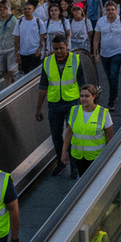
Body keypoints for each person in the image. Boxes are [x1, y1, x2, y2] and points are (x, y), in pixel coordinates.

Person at [36, 35, 86, 178]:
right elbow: (43, 86)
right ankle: (61, 162)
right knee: (56, 135)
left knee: (71, 135)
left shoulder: (76, 60)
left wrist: (86, 103)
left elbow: (82, 82)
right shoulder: (47, 62)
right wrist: (38, 108)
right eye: (55, 48)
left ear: (67, 45)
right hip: (54, 104)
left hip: (72, 103)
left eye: (61, 48)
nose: (58, 51)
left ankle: (74, 166)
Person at [60, 84, 113, 177]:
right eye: (82, 96)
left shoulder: (103, 113)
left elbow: (110, 137)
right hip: (78, 156)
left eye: (87, 96)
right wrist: (64, 152)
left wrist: (109, 156)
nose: (83, 99)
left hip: (96, 157)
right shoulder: (74, 110)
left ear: (94, 96)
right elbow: (69, 133)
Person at [94, 2, 121, 111]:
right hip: (104, 53)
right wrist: (95, 52)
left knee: (113, 74)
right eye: (108, 9)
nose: (110, 12)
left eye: (112, 9)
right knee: (110, 76)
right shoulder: (101, 21)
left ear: (116, 10)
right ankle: (114, 92)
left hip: (118, 52)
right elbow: (96, 37)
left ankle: (111, 100)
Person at [13, 1, 47, 74]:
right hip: (23, 53)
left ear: (33, 10)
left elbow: (43, 36)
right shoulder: (20, 21)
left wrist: (39, 49)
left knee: (35, 73)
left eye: (29, 8)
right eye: (25, 9)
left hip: (35, 52)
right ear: (23, 10)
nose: (27, 10)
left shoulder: (38, 21)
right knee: (26, 73)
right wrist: (17, 53)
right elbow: (17, 37)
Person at [0, 1, 18, 85]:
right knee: (4, 72)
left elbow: (17, 35)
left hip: (11, 49)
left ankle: (18, 86)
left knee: (12, 71)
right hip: (0, 50)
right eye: (0, 10)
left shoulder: (13, 20)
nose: (2, 11)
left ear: (7, 10)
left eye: (4, 9)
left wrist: (18, 50)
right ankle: (9, 88)